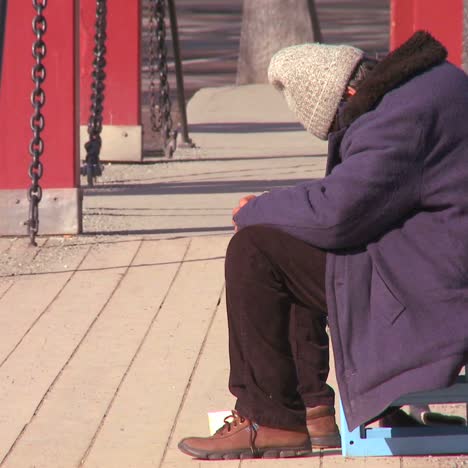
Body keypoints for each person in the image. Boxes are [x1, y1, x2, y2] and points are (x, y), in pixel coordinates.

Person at [178, 31, 468, 460]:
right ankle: (312, 409)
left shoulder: (400, 116)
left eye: (340, 122)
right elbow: (362, 196)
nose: (345, 130)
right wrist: (280, 211)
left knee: (256, 250)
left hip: (437, 285)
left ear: (348, 91)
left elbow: (338, 214)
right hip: (436, 253)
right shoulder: (428, 82)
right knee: (288, 239)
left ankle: (273, 419)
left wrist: (258, 208)